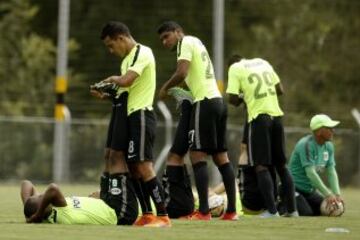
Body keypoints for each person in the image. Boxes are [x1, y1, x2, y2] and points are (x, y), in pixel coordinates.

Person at [157, 21, 237, 220]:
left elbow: (182, 72)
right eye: (162, 40)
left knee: (197, 155)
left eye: (167, 36)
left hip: (205, 103)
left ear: (178, 32)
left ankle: (203, 212)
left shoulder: (184, 43)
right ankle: (232, 211)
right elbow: (189, 77)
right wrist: (182, 93)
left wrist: (165, 88)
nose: (165, 42)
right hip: (217, 102)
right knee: (221, 158)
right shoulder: (196, 42)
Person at [100, 21, 170, 227]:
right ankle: (147, 213)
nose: (111, 51)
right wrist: (105, 94)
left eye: (111, 46)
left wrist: (111, 80)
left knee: (144, 166)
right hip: (131, 116)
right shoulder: (126, 61)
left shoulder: (143, 52)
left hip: (142, 115)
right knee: (133, 167)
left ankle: (164, 216)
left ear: (121, 38)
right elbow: (123, 91)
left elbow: (127, 81)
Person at [226, 54, 297, 217]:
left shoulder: (235, 68)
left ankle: (272, 211)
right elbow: (280, 90)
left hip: (259, 119)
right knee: (281, 165)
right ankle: (293, 211)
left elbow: (233, 99)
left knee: (261, 165)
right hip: (277, 116)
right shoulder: (263, 62)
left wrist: (245, 96)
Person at [288, 114, 344, 216]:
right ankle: (280, 203)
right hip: (292, 188)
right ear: (319, 131)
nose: (333, 131)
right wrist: (328, 194)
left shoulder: (329, 146)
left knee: (325, 211)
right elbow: (311, 173)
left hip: (309, 191)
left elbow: (331, 171)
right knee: (306, 213)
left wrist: (336, 194)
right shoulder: (306, 145)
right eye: (329, 128)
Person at [21, 180, 137, 225]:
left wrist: (27, 206)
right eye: (42, 198)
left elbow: (26, 183)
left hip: (105, 201)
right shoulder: (57, 213)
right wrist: (37, 214)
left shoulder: (46, 209)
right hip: (117, 212)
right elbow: (53, 188)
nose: (44, 195)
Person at [162, 87, 195, 218]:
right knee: (175, 156)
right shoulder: (176, 210)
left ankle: (187, 106)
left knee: (176, 157)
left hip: (180, 206)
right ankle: (187, 105)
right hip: (178, 207)